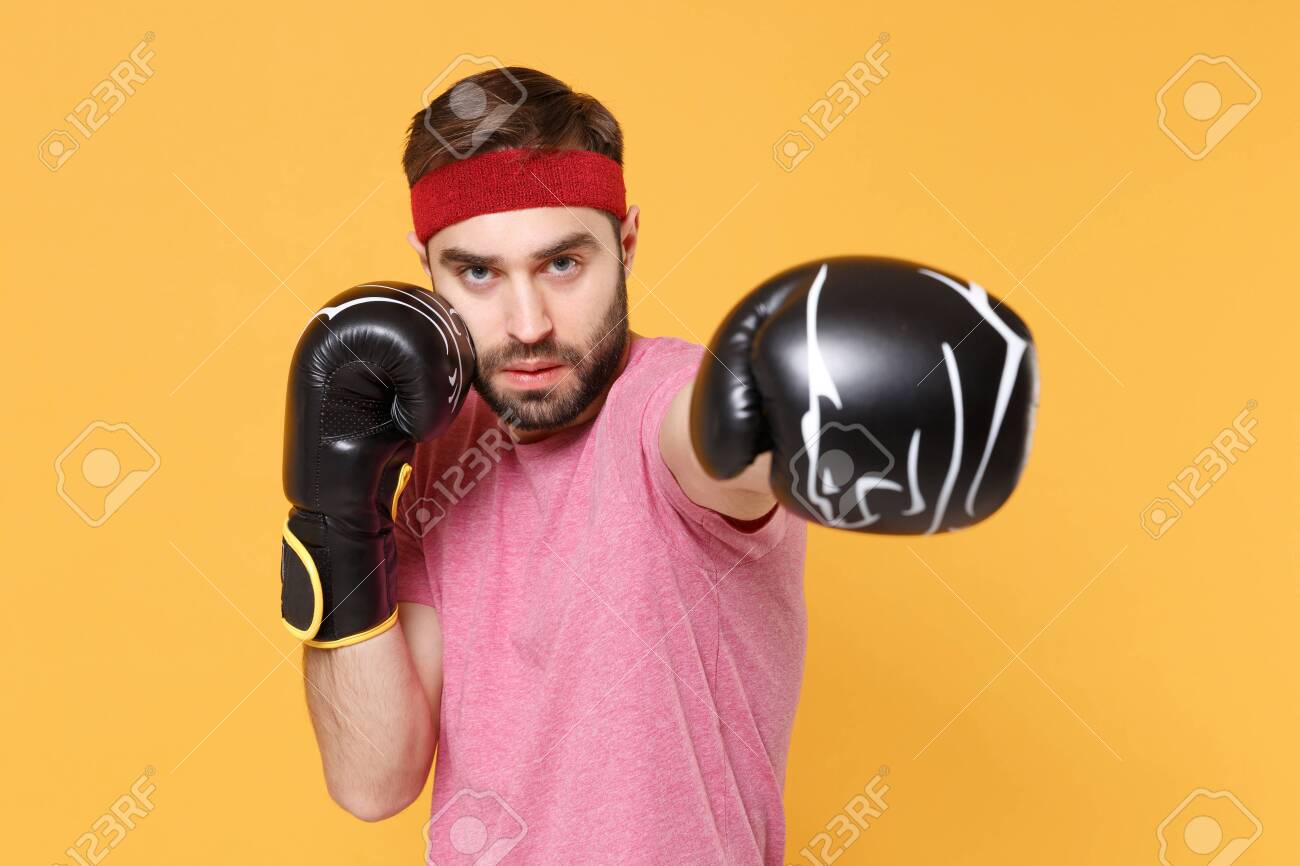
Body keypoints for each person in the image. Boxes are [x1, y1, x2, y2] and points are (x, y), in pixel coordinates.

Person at [278, 66, 1038, 865]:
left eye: (563, 264)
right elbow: (372, 781)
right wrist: (333, 512)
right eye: (479, 273)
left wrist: (784, 413)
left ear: (627, 244)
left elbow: (711, 450)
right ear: (424, 269)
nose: (529, 324)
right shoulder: (437, 452)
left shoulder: (666, 405)